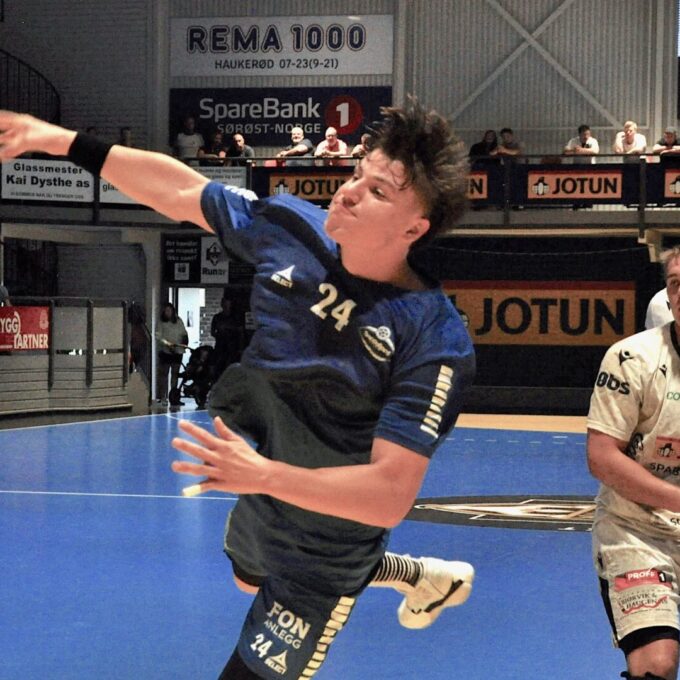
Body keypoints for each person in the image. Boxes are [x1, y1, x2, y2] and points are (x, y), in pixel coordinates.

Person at [0, 100, 476, 680]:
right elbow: (180, 190)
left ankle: (368, 575)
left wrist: (263, 475)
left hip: (329, 540)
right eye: (357, 174)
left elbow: (389, 493)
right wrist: (58, 139)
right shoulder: (290, 229)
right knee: (247, 578)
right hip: (263, 482)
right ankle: (420, 576)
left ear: (414, 228)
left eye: (377, 192)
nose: (349, 193)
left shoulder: (433, 338)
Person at [587, 245, 680, 680]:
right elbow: (603, 458)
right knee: (656, 665)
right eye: (676, 284)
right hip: (636, 529)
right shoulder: (631, 359)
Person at [156, 302, 188, 406]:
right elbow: (159, 336)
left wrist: (184, 342)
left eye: (169, 310)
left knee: (175, 374)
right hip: (166, 352)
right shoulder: (161, 322)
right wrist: (167, 344)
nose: (167, 313)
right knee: (164, 375)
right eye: (166, 311)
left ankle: (173, 397)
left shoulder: (179, 321)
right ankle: (163, 397)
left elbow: (184, 333)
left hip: (177, 351)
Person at [210, 294, 243, 379]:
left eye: (227, 303)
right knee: (219, 367)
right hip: (220, 346)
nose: (226, 305)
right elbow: (212, 332)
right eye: (224, 303)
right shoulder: (217, 317)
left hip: (232, 347)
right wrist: (220, 334)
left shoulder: (235, 318)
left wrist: (240, 347)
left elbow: (240, 332)